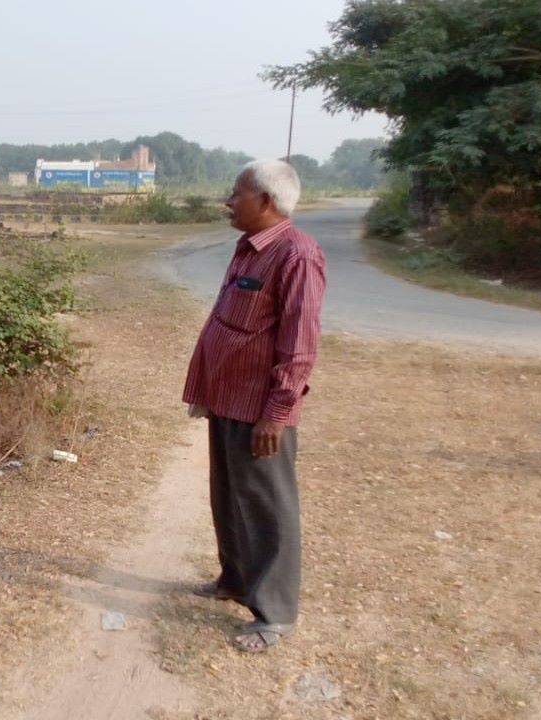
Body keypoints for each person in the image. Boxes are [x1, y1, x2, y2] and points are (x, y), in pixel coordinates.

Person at [182, 159, 326, 652]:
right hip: (227, 399)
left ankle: (275, 613)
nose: (228, 199)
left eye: (237, 192)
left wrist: (278, 412)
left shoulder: (297, 256)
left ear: (266, 201)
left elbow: (299, 346)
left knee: (267, 507)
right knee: (228, 497)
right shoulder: (249, 249)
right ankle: (236, 579)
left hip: (260, 409)